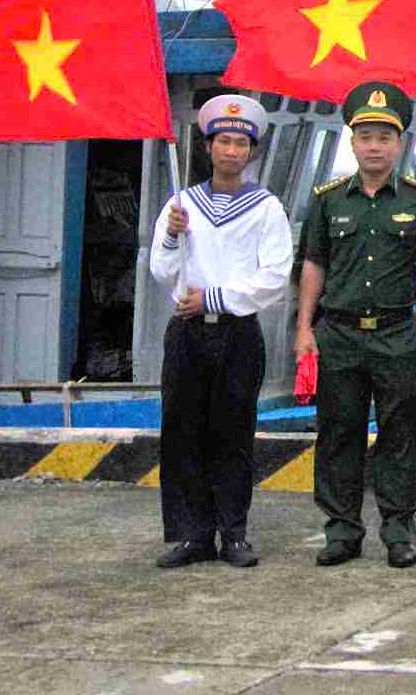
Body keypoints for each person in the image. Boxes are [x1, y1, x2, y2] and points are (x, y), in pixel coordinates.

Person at [292, 82, 416, 569]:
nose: (374, 146)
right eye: (365, 137)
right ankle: (342, 531)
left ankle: (399, 531)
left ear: (399, 144)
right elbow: (314, 265)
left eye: (384, 137)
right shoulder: (328, 200)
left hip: (395, 333)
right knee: (338, 433)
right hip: (338, 333)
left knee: (401, 435)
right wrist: (304, 329)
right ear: (353, 143)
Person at [151, 94, 293, 569]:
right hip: (187, 333)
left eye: (240, 144)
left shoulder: (266, 208)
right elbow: (161, 270)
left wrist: (213, 297)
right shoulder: (181, 204)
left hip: (237, 333)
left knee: (233, 433)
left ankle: (234, 533)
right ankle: (193, 535)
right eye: (224, 142)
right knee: (182, 432)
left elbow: (274, 277)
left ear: (251, 152)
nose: (232, 151)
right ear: (208, 147)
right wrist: (171, 235)